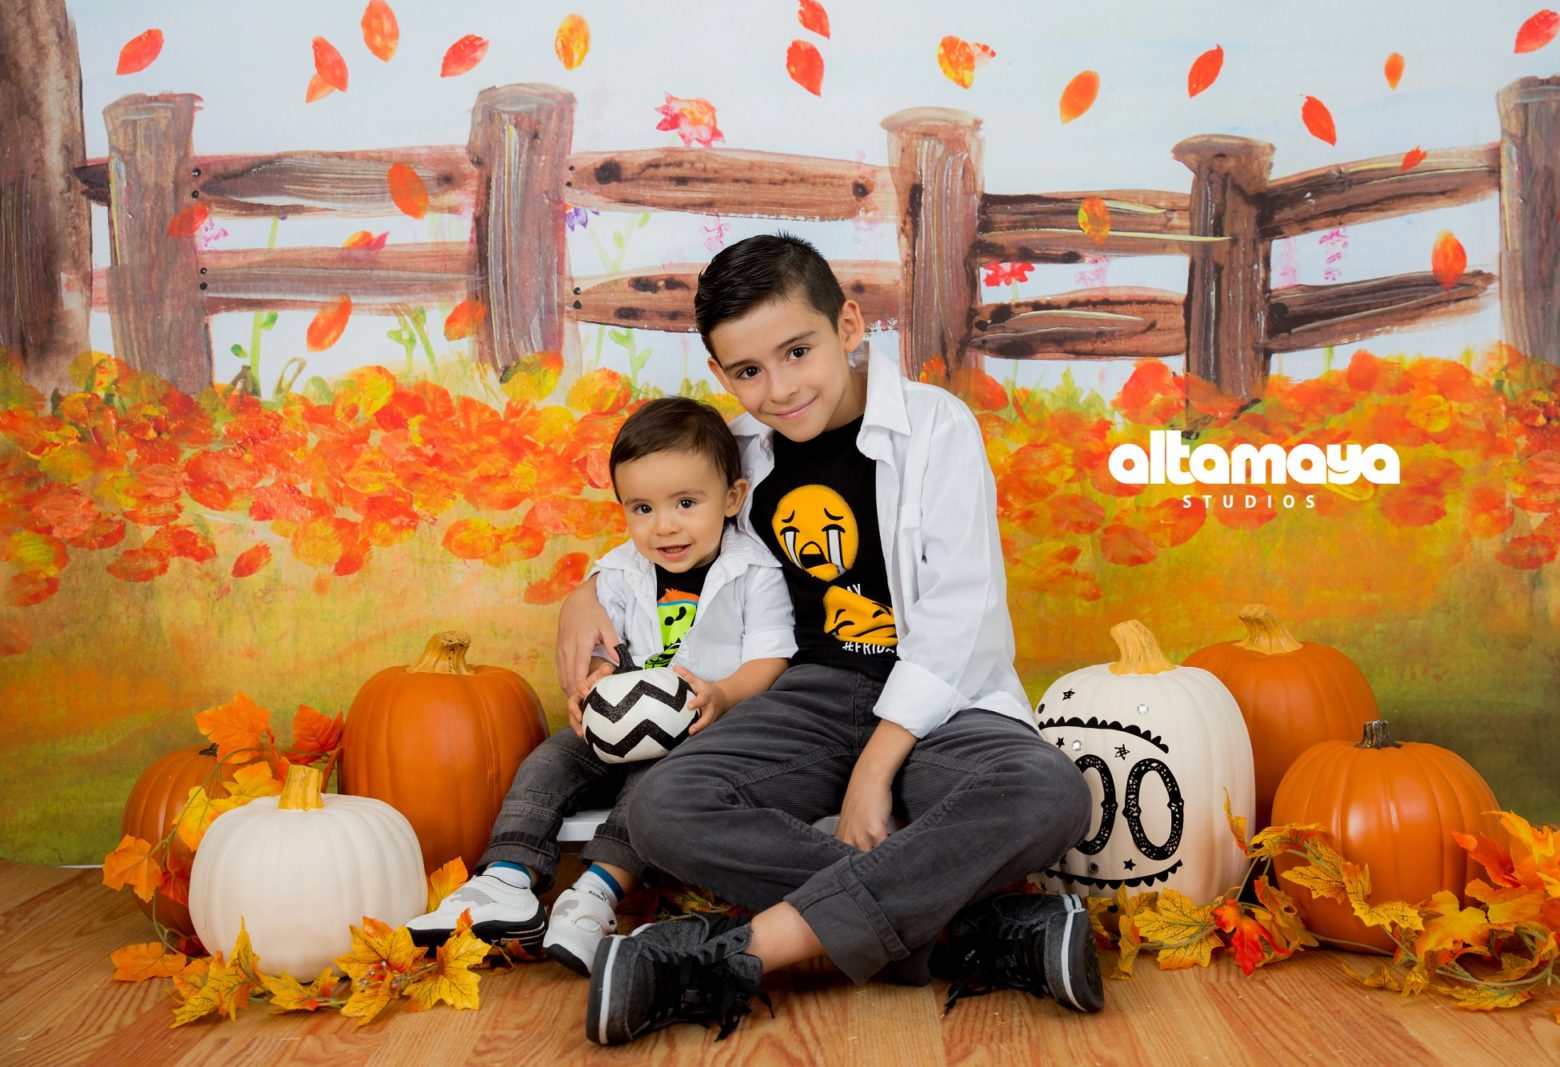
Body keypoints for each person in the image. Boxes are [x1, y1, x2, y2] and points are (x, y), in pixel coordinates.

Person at [556, 234, 1100, 1046]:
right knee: (664, 806)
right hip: (801, 697)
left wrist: (877, 766)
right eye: (748, 371)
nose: (778, 389)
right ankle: (972, 931)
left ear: (847, 326)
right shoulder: (739, 448)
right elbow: (671, 522)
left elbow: (962, 614)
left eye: (797, 351)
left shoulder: (935, 427)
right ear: (722, 375)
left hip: (939, 706)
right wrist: (585, 592)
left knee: (1049, 792)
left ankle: (742, 951)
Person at [408, 396, 795, 975]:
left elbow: (771, 658)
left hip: (701, 726)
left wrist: (723, 695)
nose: (664, 525)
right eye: (642, 508)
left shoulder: (754, 571)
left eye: (686, 503)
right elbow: (599, 649)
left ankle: (596, 892)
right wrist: (591, 689)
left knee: (651, 786)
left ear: (732, 498)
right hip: (623, 718)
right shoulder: (619, 572)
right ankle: (508, 877)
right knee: (550, 761)